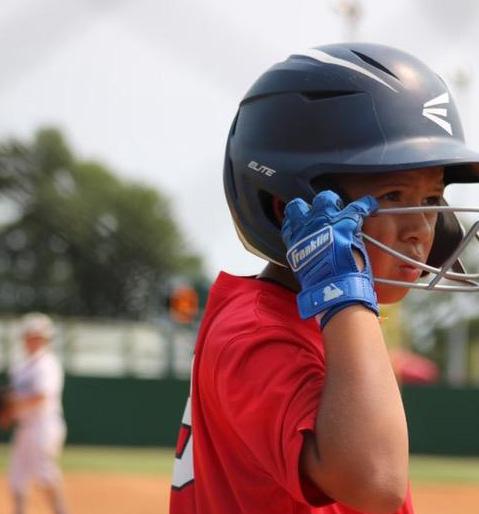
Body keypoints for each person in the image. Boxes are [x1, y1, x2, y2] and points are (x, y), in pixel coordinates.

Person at [169, 43, 479, 514]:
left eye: (433, 198)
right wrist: (344, 291)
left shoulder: (331, 324)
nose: (421, 227)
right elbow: (375, 483)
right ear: (285, 206)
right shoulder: (255, 332)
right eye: (394, 194)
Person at [6, 313, 69, 514]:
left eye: (38, 336)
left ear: (46, 339)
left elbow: (42, 396)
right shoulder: (20, 367)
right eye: (30, 336)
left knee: (45, 475)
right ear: (24, 337)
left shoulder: (47, 364)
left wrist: (14, 403)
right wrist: (9, 413)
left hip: (44, 426)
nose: (34, 340)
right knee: (16, 478)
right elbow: (14, 399)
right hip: (25, 428)